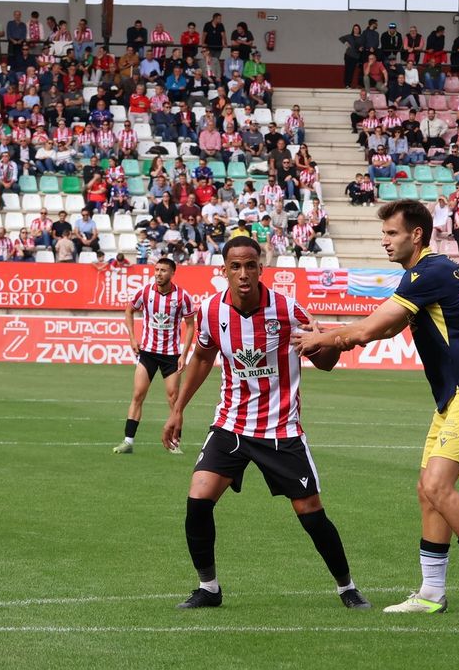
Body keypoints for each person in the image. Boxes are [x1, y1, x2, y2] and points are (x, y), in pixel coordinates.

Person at [296, 200, 459, 622]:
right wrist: (341, 336)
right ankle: (432, 591)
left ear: (416, 235)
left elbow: (371, 328)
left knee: (437, 486)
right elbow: (390, 326)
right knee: (426, 489)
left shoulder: (427, 272)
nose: (385, 241)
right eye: (383, 235)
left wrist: (325, 340)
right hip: (455, 397)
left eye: (392, 234)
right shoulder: (425, 276)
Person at [160, 236, 371, 611]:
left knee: (310, 514)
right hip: (230, 426)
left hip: (280, 430)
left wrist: (335, 343)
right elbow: (203, 359)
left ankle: (347, 587)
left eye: (250, 265)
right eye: (235, 266)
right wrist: (178, 409)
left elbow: (323, 362)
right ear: (223, 270)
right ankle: (208, 588)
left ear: (261, 268)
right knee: (197, 500)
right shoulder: (210, 311)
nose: (243, 273)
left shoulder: (288, 311)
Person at [114, 257, 196, 456]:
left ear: (172, 273)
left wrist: (184, 354)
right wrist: (133, 339)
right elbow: (129, 310)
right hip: (148, 353)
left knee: (174, 399)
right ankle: (128, 441)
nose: (159, 273)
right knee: (138, 395)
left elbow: (191, 325)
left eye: (163, 270)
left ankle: (175, 442)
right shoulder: (145, 292)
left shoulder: (182, 297)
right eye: (157, 269)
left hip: (171, 355)